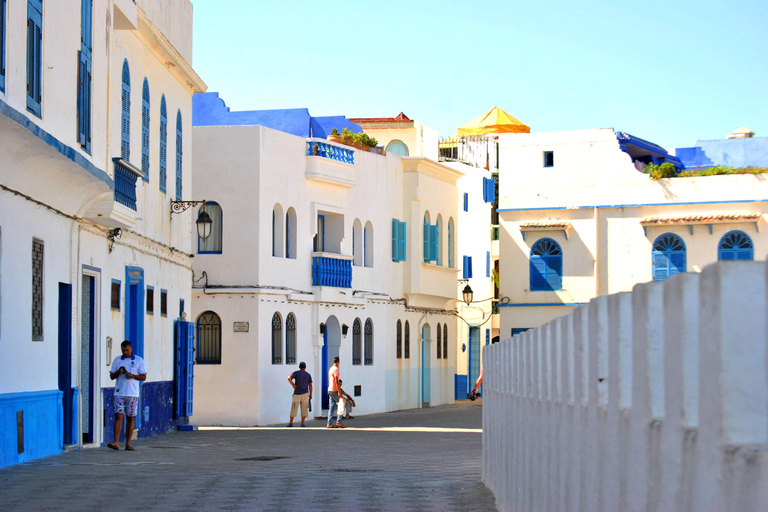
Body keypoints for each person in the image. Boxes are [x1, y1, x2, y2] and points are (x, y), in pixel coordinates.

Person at [107, 340, 147, 450]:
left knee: (131, 417)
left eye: (127, 350)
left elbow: (143, 377)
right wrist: (118, 373)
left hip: (132, 394)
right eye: (123, 350)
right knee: (118, 415)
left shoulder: (138, 361)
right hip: (119, 393)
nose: (125, 352)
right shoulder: (117, 360)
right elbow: (111, 376)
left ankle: (128, 443)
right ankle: (116, 442)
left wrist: (133, 376)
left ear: (131, 349)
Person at [287, 362, 313, 427]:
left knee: (294, 407)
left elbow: (289, 378)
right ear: (305, 367)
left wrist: (293, 385)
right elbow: (310, 385)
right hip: (305, 393)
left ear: (299, 367)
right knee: (304, 408)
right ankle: (302, 423)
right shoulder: (308, 374)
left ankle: (291, 422)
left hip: (297, 393)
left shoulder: (296, 373)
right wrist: (311, 394)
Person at [327, 356, 346, 428]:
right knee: (341, 404)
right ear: (338, 362)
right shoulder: (336, 369)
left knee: (331, 407)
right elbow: (336, 381)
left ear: (333, 362)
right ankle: (339, 422)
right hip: (334, 390)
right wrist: (339, 391)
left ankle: (329, 423)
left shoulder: (331, 369)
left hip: (330, 389)